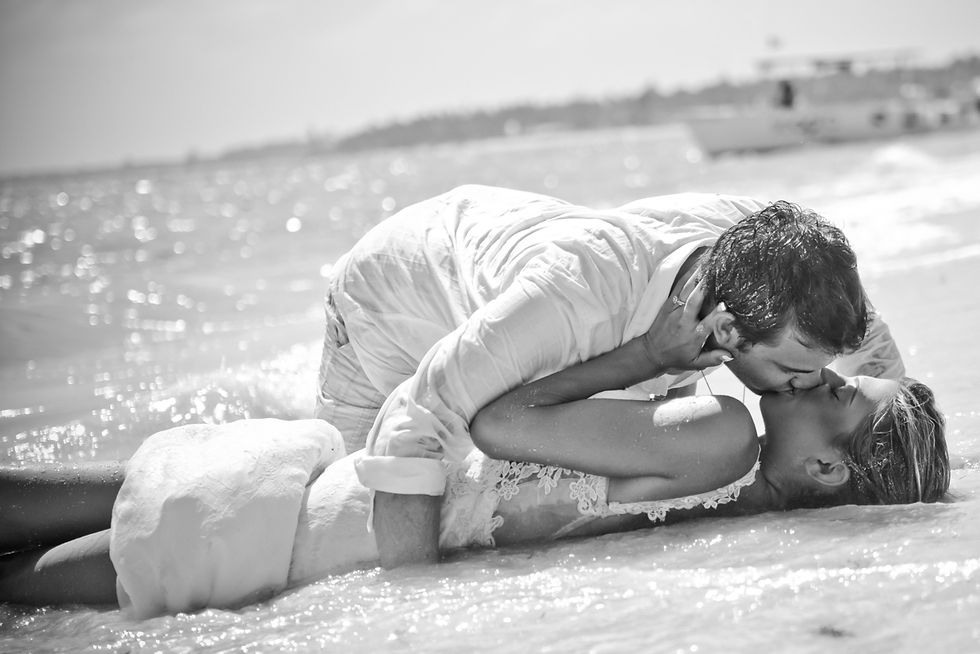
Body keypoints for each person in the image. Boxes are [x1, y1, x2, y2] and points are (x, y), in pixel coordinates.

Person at [0, 302, 949, 617]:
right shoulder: (730, 512)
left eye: (832, 395)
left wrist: (652, 357)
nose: (813, 376)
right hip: (329, 525)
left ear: (826, 472)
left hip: (314, 519)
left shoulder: (725, 441)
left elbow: (498, 420)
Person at [314, 184, 904, 568]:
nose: (807, 384)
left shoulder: (778, 261)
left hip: (517, 263)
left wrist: (917, 468)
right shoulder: (574, 298)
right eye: (794, 372)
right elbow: (412, 424)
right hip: (389, 300)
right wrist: (410, 610)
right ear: (725, 332)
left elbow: (872, 360)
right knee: (344, 494)